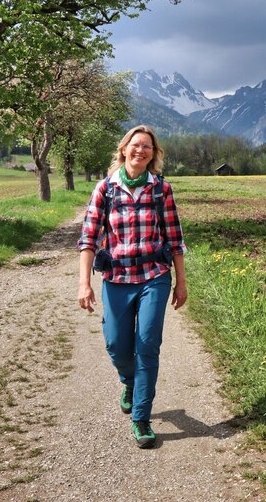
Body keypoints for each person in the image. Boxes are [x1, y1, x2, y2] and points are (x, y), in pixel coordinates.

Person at [77, 124, 188, 449]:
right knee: (116, 345)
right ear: (124, 149)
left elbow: (175, 239)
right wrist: (84, 284)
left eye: (147, 147)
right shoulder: (105, 189)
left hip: (154, 276)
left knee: (148, 345)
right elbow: (88, 239)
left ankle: (141, 418)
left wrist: (181, 282)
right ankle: (129, 381)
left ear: (153, 155)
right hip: (117, 279)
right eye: (135, 145)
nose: (141, 150)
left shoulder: (161, 190)